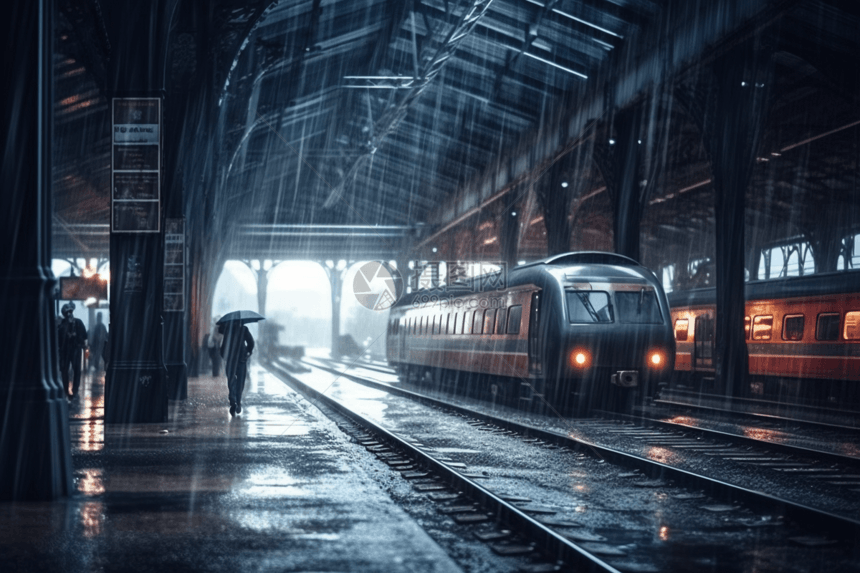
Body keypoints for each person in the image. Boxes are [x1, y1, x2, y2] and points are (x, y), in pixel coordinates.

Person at [219, 322, 254, 416]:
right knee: (240, 381)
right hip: (242, 359)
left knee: (231, 380)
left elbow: (223, 347)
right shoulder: (244, 329)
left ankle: (232, 399)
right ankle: (238, 401)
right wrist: (248, 351)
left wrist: (225, 356)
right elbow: (251, 342)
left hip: (230, 359)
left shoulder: (228, 330)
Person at [58, 302, 87, 400]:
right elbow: (59, 340)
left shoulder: (78, 322)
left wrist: (79, 340)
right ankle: (66, 390)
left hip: (75, 350)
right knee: (64, 371)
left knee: (77, 371)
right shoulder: (62, 325)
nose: (69, 314)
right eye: (67, 313)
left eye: (70, 312)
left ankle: (75, 390)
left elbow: (84, 336)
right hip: (65, 351)